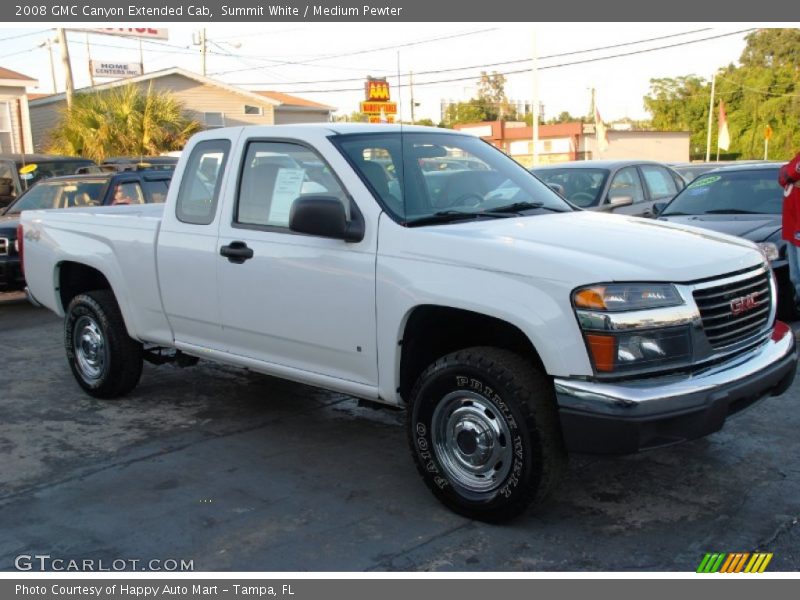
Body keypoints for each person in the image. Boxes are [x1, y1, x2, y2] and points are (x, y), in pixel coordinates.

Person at [779, 152, 800, 305]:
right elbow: (783, 175)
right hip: (792, 228)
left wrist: (790, 174)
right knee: (795, 277)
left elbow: (791, 172)